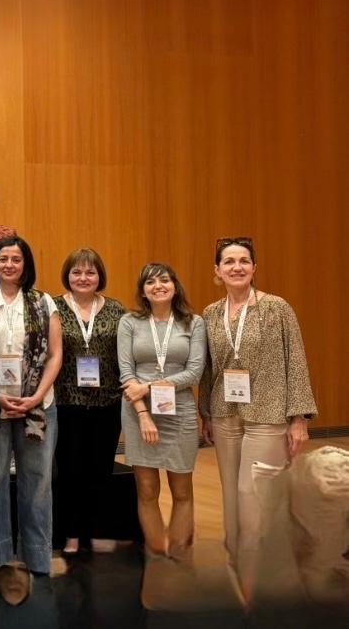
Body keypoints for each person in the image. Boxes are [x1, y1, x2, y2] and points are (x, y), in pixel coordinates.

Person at [200, 237, 317, 600]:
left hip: (268, 413)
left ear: (254, 267)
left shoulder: (277, 308)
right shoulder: (209, 314)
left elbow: (296, 362)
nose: (237, 267)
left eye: (244, 260)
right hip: (225, 414)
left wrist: (299, 418)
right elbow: (208, 369)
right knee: (231, 502)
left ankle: (259, 581)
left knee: (254, 501)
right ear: (217, 271)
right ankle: (236, 571)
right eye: (229, 261)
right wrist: (205, 411)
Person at [0, 236, 62, 576]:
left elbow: (56, 354)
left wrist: (37, 396)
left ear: (26, 264)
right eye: (3, 258)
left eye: (16, 258)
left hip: (37, 407)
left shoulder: (44, 302)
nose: (9, 264)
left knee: (37, 482)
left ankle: (37, 558)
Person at [117, 263, 205, 560]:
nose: (158, 286)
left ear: (175, 286)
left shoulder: (194, 323)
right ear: (143, 290)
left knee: (182, 489)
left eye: (164, 280)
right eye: (150, 282)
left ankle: (179, 559)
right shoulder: (129, 322)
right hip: (138, 411)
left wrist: (149, 386)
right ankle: (156, 556)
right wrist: (143, 413)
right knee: (146, 489)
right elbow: (126, 373)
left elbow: (194, 372)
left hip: (179, 412)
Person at [51, 248, 126, 555]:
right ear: (68, 275)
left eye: (90, 272)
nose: (83, 278)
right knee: (69, 472)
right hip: (66, 402)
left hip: (107, 404)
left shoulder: (116, 310)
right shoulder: (53, 307)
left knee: (100, 471)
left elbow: (125, 357)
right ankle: (70, 534)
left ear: (100, 277)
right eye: (77, 272)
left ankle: (96, 531)